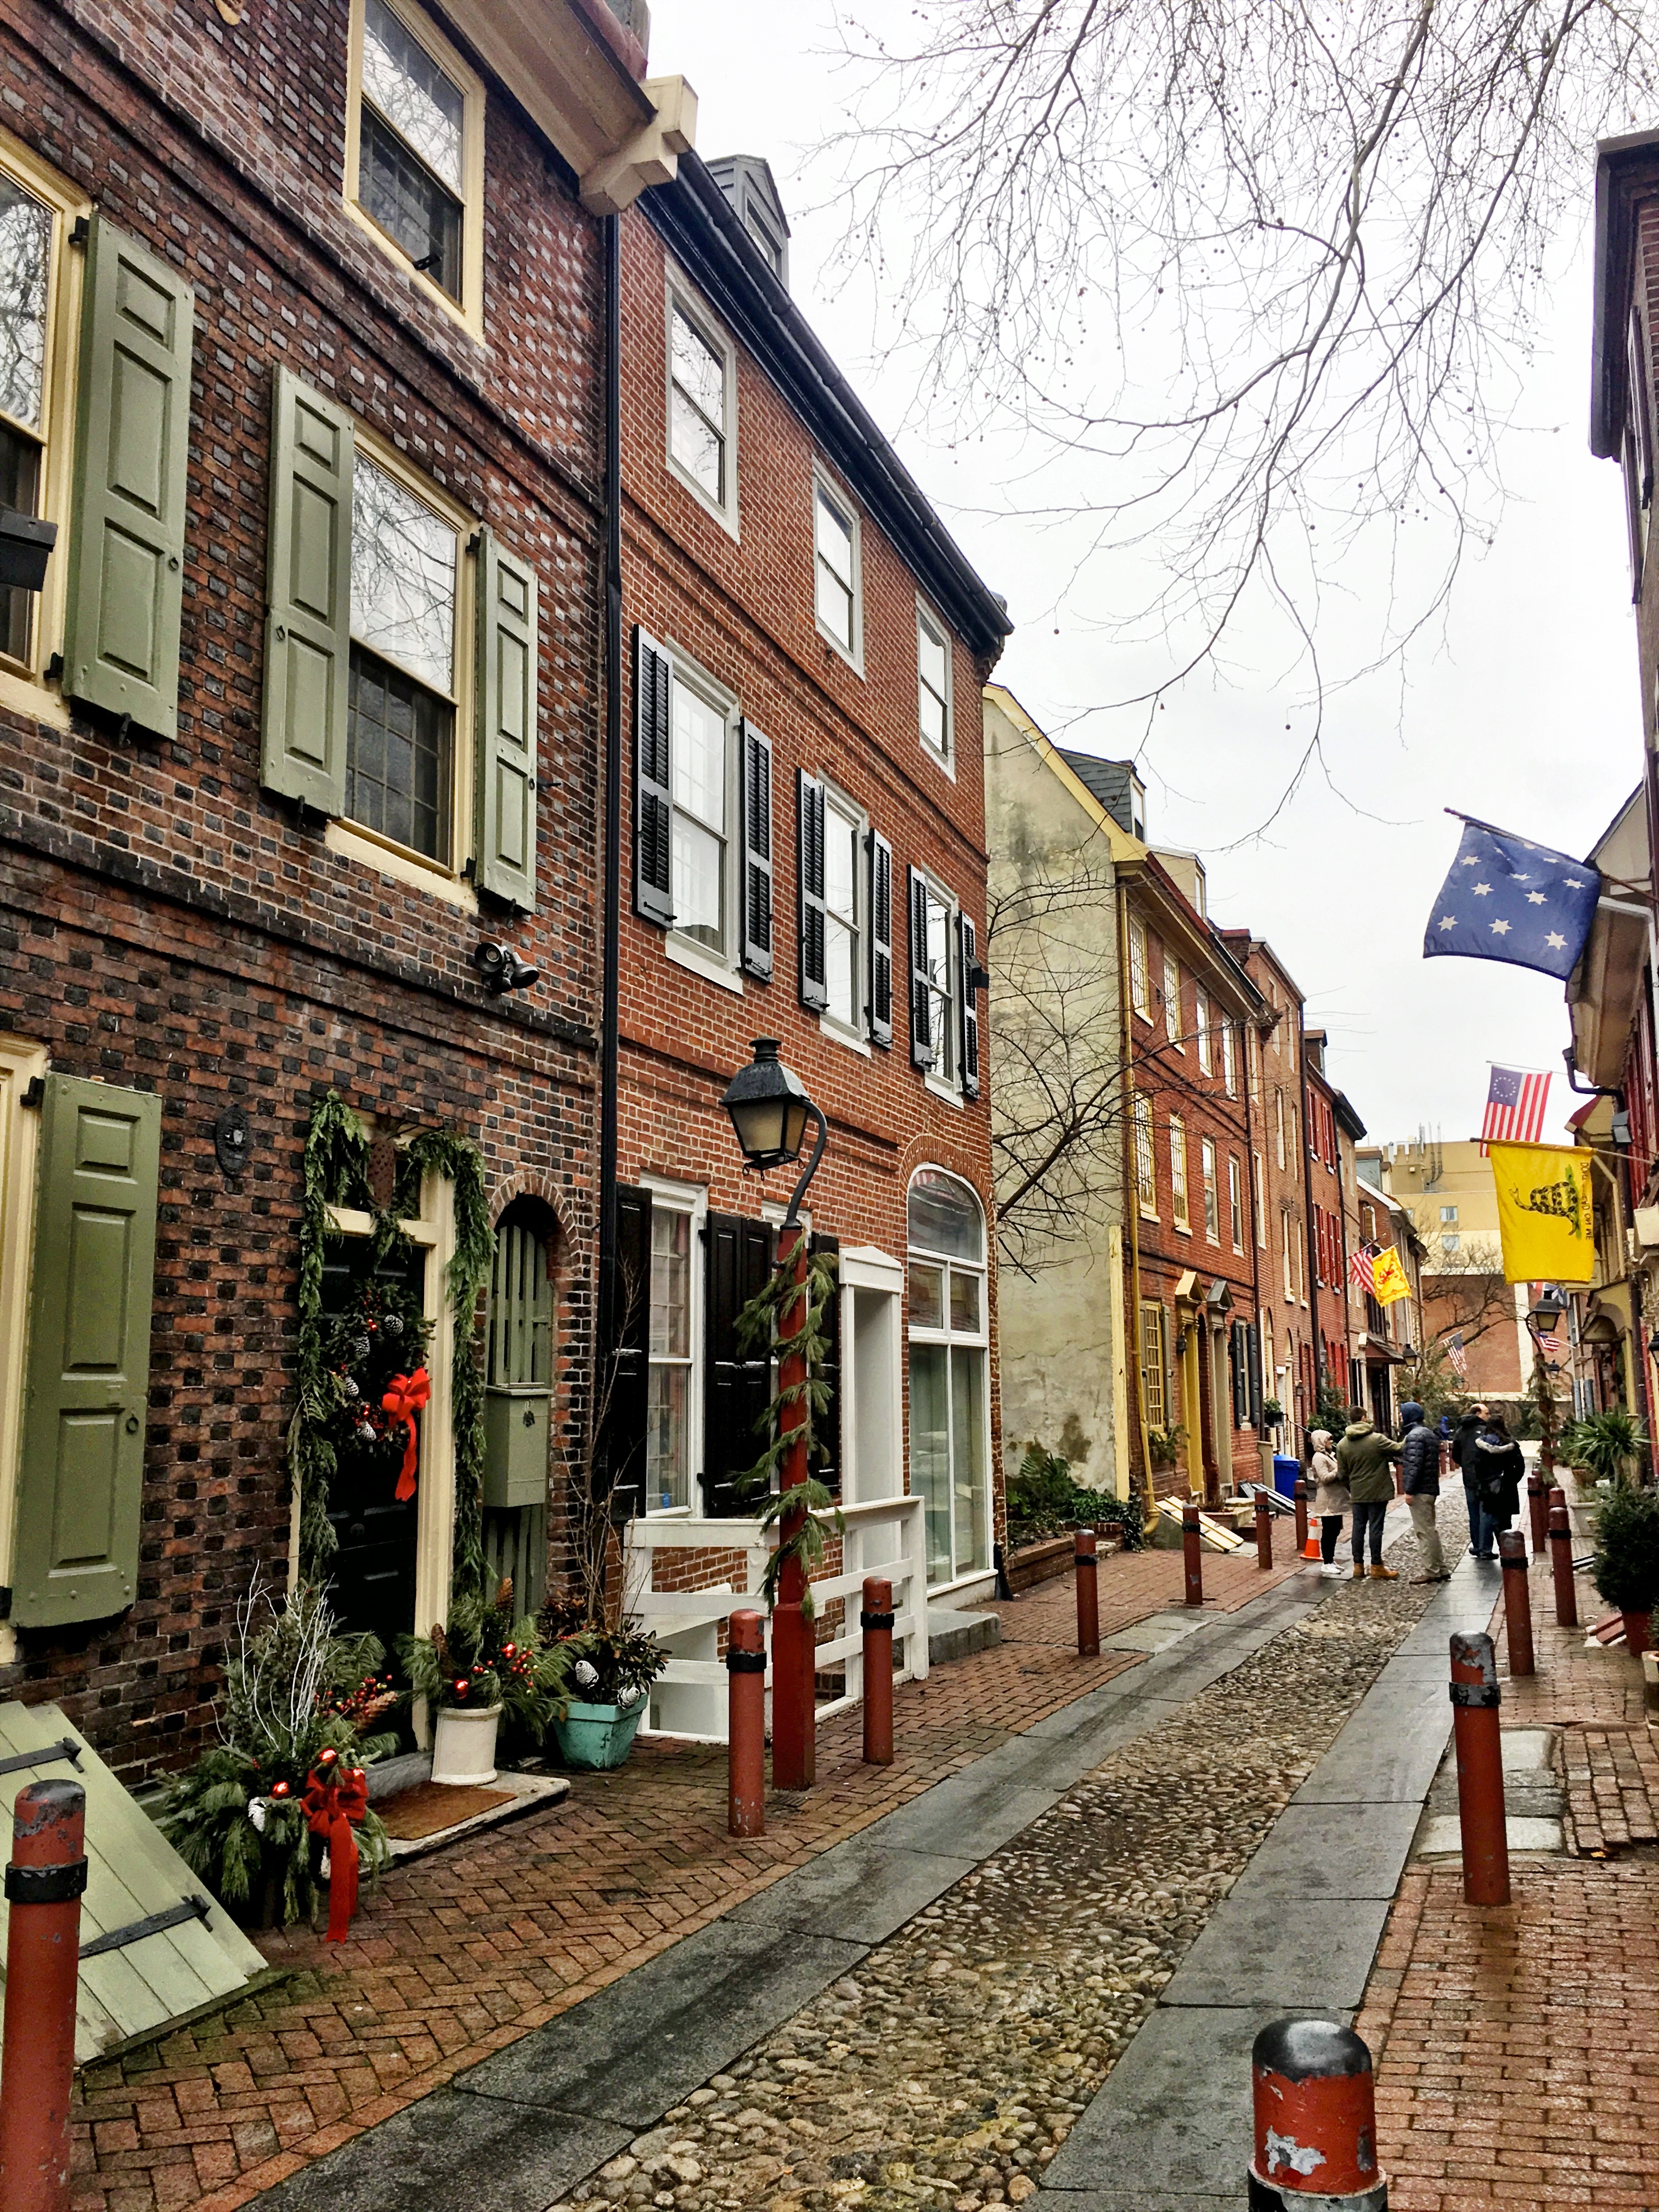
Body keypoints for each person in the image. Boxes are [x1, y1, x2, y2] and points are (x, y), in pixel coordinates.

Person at [1336, 1412, 1405, 1580]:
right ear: (1364, 1419)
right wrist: (1409, 1435)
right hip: (1377, 1491)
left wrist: (1352, 1488)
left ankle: (1358, 1566)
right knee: (1376, 1528)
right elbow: (1399, 1449)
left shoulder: (1342, 1444)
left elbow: (1342, 1474)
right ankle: (1376, 1565)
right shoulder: (1377, 1439)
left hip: (1358, 1492)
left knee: (1358, 1528)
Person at [1398, 1399, 1450, 1583]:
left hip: (1420, 1490)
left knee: (1424, 1531)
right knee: (1431, 1529)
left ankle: (1432, 1570)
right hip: (1430, 1488)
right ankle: (1441, 1568)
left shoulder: (1414, 1436)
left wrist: (1409, 1491)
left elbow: (1414, 1466)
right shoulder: (1427, 1434)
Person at [1470, 1412, 1525, 1560]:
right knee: (1505, 1519)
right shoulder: (1511, 1445)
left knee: (1487, 1516)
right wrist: (1511, 1481)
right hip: (1507, 1486)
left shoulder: (1481, 1445)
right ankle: (1506, 1548)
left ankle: (1486, 1549)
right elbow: (1520, 1467)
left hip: (1487, 1486)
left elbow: (1476, 1465)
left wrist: (1483, 1480)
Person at [1307, 1427, 1351, 1578]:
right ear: (1321, 1442)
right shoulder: (1319, 1458)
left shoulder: (1328, 1456)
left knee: (1336, 1529)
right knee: (1329, 1531)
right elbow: (1325, 1478)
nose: (1331, 1442)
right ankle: (1326, 1562)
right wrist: (1339, 1470)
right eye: (1328, 1440)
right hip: (1327, 1499)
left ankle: (1331, 1560)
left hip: (1335, 1499)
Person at [1452, 1402, 1493, 1556]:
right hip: (1485, 1477)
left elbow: (1456, 1455)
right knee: (1486, 1512)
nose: (1488, 1416)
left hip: (1469, 1478)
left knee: (1474, 1513)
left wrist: (1466, 1465)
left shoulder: (1461, 1431)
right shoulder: (1485, 1431)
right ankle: (1485, 1548)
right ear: (1478, 1414)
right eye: (1486, 1413)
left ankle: (1477, 1545)